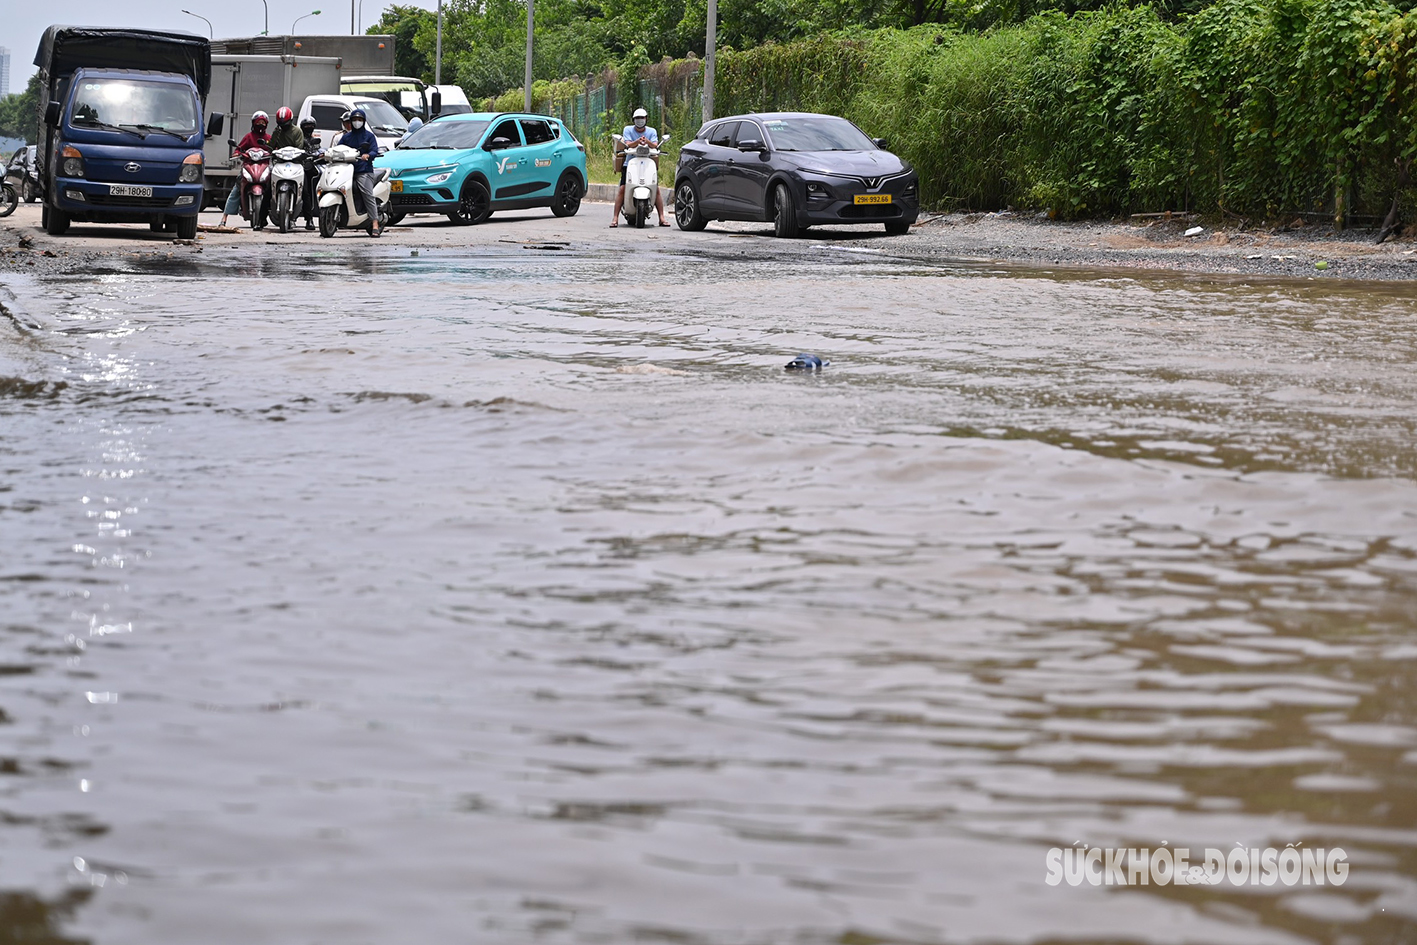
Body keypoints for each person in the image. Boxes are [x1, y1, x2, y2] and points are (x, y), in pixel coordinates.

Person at [611, 107, 669, 227]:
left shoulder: (651, 131)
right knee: (622, 189)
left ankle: (661, 218)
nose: (640, 120)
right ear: (633, 120)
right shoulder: (628, 130)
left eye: (642, 118)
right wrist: (637, 142)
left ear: (646, 119)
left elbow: (655, 145)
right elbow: (627, 144)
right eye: (637, 118)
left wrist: (647, 141)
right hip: (630, 163)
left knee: (656, 188)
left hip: (647, 163)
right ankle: (615, 218)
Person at [219, 111, 271, 227]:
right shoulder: (248, 137)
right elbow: (239, 149)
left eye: (263, 122)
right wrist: (237, 153)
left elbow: (274, 148)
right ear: (254, 123)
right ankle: (224, 218)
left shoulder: (268, 138)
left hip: (264, 167)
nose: (261, 125)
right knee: (237, 187)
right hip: (249, 166)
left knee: (273, 185)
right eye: (259, 122)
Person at [337, 107, 382, 235]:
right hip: (347, 171)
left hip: (363, 171)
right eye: (354, 119)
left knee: (367, 194)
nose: (357, 122)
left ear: (364, 121)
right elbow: (338, 148)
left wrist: (368, 155)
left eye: (359, 119)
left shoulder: (369, 136)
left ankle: (374, 223)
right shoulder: (346, 137)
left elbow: (374, 150)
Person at [299, 117, 322, 230]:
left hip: (311, 168)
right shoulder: (299, 139)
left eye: (311, 126)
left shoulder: (314, 140)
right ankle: (308, 218)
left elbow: (318, 151)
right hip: (299, 167)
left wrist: (320, 155)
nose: (309, 128)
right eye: (306, 126)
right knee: (305, 191)